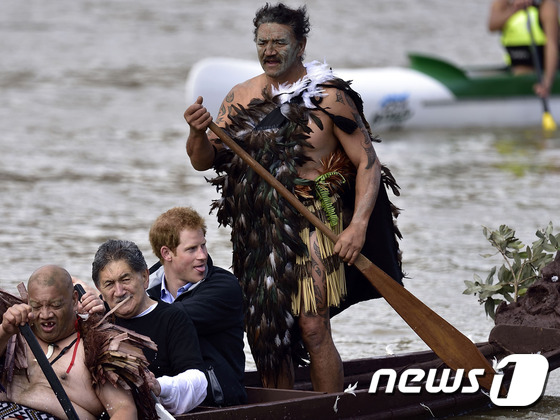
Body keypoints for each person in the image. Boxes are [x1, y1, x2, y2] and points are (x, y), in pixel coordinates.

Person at [183, 3, 403, 392]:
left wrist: (357, 227)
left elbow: (368, 163)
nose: (269, 49)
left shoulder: (329, 98)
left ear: (300, 46)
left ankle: (329, 410)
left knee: (313, 325)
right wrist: (197, 133)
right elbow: (204, 161)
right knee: (268, 335)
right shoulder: (241, 97)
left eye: (279, 42)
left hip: (314, 219)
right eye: (262, 42)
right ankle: (284, 411)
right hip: (258, 225)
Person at [0, 265, 138, 419]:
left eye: (55, 305)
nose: (45, 315)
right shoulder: (14, 335)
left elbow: (123, 409)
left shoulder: (95, 349)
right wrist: (4, 331)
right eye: (37, 306)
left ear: (74, 299)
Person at [92, 239, 208, 415]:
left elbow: (198, 382)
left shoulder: (173, 319)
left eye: (125, 279)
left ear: (145, 277)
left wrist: (159, 386)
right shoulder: (97, 319)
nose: (119, 291)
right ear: (98, 288)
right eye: (109, 284)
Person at [147, 207, 247, 406]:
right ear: (166, 253)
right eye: (192, 249)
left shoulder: (225, 287)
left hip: (215, 403)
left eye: (203, 246)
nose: (202, 255)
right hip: (160, 397)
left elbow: (172, 318)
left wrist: (124, 306)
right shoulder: (144, 288)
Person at [488, 0, 559, 97]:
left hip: (542, 68)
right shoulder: (502, 3)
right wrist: (516, 8)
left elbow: (552, 45)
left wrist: (547, 82)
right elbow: (492, 25)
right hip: (516, 68)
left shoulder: (547, 6)